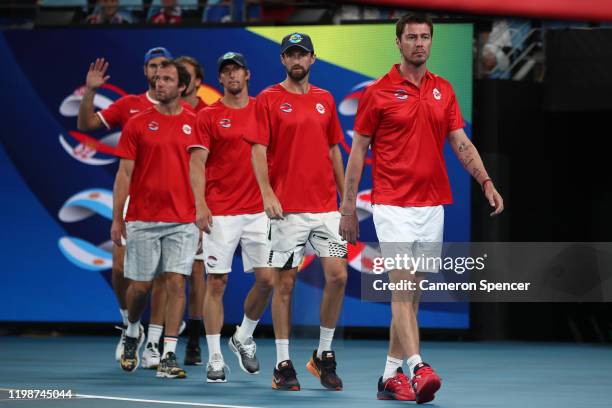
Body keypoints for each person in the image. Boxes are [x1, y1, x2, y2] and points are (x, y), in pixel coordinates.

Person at [339, 14, 504, 403]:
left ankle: (388, 379)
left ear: (431, 42)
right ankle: (417, 366)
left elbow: (461, 143)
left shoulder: (443, 90)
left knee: (412, 297)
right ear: (398, 43)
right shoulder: (377, 92)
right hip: (392, 203)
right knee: (401, 289)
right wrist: (348, 206)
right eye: (411, 37)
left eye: (425, 37)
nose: (419, 43)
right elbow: (358, 152)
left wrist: (486, 181)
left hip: (432, 205)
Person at [245, 33, 347, 391]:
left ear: (313, 59)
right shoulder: (268, 99)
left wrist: (345, 202)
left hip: (325, 211)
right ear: (283, 60)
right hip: (286, 212)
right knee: (284, 284)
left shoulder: (325, 100)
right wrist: (267, 192)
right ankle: (283, 364)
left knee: (338, 277)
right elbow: (258, 151)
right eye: (291, 54)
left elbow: (335, 151)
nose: (297, 60)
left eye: (302, 54)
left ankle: (323, 355)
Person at [77, 47, 175, 368]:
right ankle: (130, 325)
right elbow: (87, 123)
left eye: (164, 67)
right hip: (134, 198)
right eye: (153, 66)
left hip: (169, 203)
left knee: (160, 278)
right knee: (120, 270)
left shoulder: (180, 111)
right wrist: (91, 92)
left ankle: (155, 343)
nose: (158, 72)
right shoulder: (129, 106)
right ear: (146, 71)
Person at [189, 52, 275, 383]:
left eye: (237, 70)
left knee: (267, 280)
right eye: (226, 72)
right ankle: (214, 358)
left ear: (247, 74)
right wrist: (200, 204)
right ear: (221, 80)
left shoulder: (261, 110)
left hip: (257, 211)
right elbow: (197, 163)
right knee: (217, 282)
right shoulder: (208, 116)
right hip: (220, 211)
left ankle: (242, 337)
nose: (232, 76)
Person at [111, 59, 199, 379]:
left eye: (167, 79)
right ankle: (133, 328)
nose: (159, 83)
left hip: (183, 218)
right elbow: (124, 175)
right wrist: (117, 218)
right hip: (143, 217)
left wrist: (202, 210)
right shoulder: (137, 123)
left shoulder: (196, 123)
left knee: (176, 283)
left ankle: (168, 355)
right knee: (140, 288)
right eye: (156, 77)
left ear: (182, 87)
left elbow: (201, 172)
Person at [176, 55, 207, 366]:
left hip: (197, 204)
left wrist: (203, 204)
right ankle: (159, 338)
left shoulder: (206, 115)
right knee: (166, 275)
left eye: (187, 74)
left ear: (196, 81)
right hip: (167, 204)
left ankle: (194, 341)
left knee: (197, 273)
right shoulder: (162, 113)